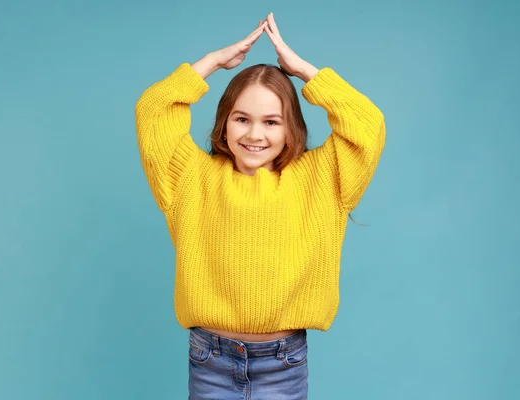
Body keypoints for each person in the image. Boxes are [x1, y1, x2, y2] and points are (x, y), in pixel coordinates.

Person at [134, 12, 385, 400]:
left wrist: (304, 72)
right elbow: (153, 111)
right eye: (241, 119)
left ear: (291, 128)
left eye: (271, 122)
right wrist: (212, 62)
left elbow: (368, 125)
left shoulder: (323, 178)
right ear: (224, 122)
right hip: (209, 360)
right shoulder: (190, 176)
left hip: (282, 364)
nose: (254, 134)